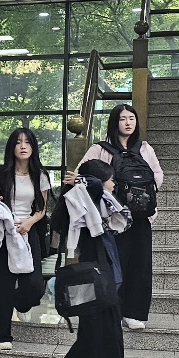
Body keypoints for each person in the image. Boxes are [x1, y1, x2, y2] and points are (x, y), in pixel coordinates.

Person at [40, 159, 137, 358]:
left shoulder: (97, 204)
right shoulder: (82, 202)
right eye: (110, 179)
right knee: (109, 347)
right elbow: (92, 187)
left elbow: (125, 216)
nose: (114, 183)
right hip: (96, 285)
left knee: (95, 341)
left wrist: (87, 182)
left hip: (101, 283)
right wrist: (84, 180)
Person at [70, 103, 163, 331]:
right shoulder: (100, 149)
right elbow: (83, 173)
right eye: (123, 119)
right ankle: (113, 310)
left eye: (132, 118)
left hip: (140, 217)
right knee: (114, 264)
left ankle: (134, 313)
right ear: (115, 122)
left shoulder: (145, 148)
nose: (128, 123)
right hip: (113, 219)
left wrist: (140, 193)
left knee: (140, 266)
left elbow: (158, 175)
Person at [0, 128, 52, 349]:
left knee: (34, 286)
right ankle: (0, 335)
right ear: (12, 147)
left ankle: (20, 302)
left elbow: (41, 208)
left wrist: (29, 222)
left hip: (27, 234)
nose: (23, 146)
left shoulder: (41, 175)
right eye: (18, 142)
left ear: (33, 147)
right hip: (1, 233)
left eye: (27, 142)